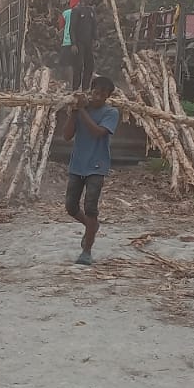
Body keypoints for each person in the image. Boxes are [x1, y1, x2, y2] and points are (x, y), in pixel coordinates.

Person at [63, 75, 119, 266]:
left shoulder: (111, 112)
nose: (98, 96)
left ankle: (86, 251)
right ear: (91, 91)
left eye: (103, 93)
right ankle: (91, 227)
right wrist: (74, 112)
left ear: (108, 96)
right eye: (96, 92)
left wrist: (81, 110)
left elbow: (97, 132)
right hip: (77, 164)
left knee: (90, 207)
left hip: (97, 166)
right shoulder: (81, 111)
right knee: (71, 206)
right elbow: (67, 136)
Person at [71, 0, 97, 91]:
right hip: (79, 42)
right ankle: (75, 88)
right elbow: (72, 28)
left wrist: (96, 39)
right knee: (78, 66)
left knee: (90, 65)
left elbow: (94, 26)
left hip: (88, 42)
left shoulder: (91, 11)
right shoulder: (76, 10)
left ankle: (85, 88)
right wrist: (73, 43)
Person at [55, 0, 80, 82]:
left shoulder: (65, 13)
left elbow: (61, 27)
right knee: (76, 64)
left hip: (67, 42)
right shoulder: (82, 12)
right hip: (79, 42)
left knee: (66, 64)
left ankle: (69, 82)